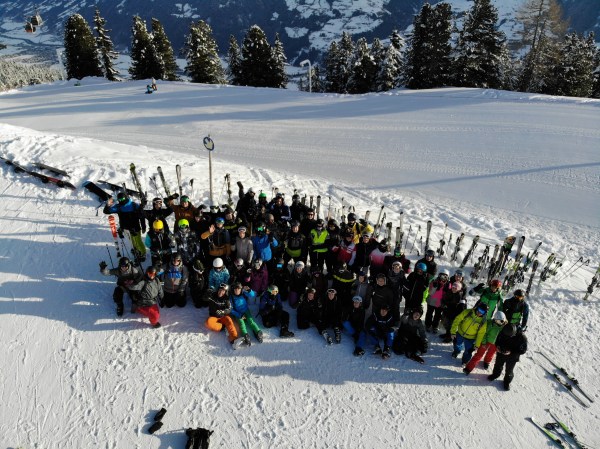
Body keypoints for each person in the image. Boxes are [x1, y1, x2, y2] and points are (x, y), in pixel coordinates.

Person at [103, 191, 147, 262]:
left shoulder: (134, 205)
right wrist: (108, 205)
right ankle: (136, 250)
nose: (121, 201)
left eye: (123, 199)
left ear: (126, 197)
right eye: (120, 199)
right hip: (125, 228)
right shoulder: (119, 207)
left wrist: (143, 226)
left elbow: (141, 216)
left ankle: (143, 253)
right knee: (132, 241)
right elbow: (106, 211)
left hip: (135, 228)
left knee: (138, 241)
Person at [464, 310, 507, 375]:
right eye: (501, 321)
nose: (502, 322)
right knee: (479, 355)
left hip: (495, 343)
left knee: (491, 354)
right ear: (496, 320)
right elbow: (484, 333)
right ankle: (468, 368)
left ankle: (487, 361)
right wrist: (484, 342)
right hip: (486, 342)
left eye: (503, 321)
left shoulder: (504, 326)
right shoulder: (490, 324)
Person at [488, 324, 528, 390]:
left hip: (512, 357)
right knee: (498, 365)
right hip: (501, 353)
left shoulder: (522, 338)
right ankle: (495, 375)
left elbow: (523, 350)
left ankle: (507, 382)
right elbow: (497, 340)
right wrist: (497, 347)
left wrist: (511, 352)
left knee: (509, 370)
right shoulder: (503, 331)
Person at [425, 269, 450, 333]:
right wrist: (434, 287)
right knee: (429, 313)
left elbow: (448, 295)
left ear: (447, 277)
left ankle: (435, 326)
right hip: (431, 301)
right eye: (441, 276)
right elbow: (430, 293)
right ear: (439, 275)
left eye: (445, 276)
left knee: (437, 315)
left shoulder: (448, 285)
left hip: (440, 303)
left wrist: (445, 302)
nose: (443, 278)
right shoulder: (434, 281)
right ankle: (428, 324)